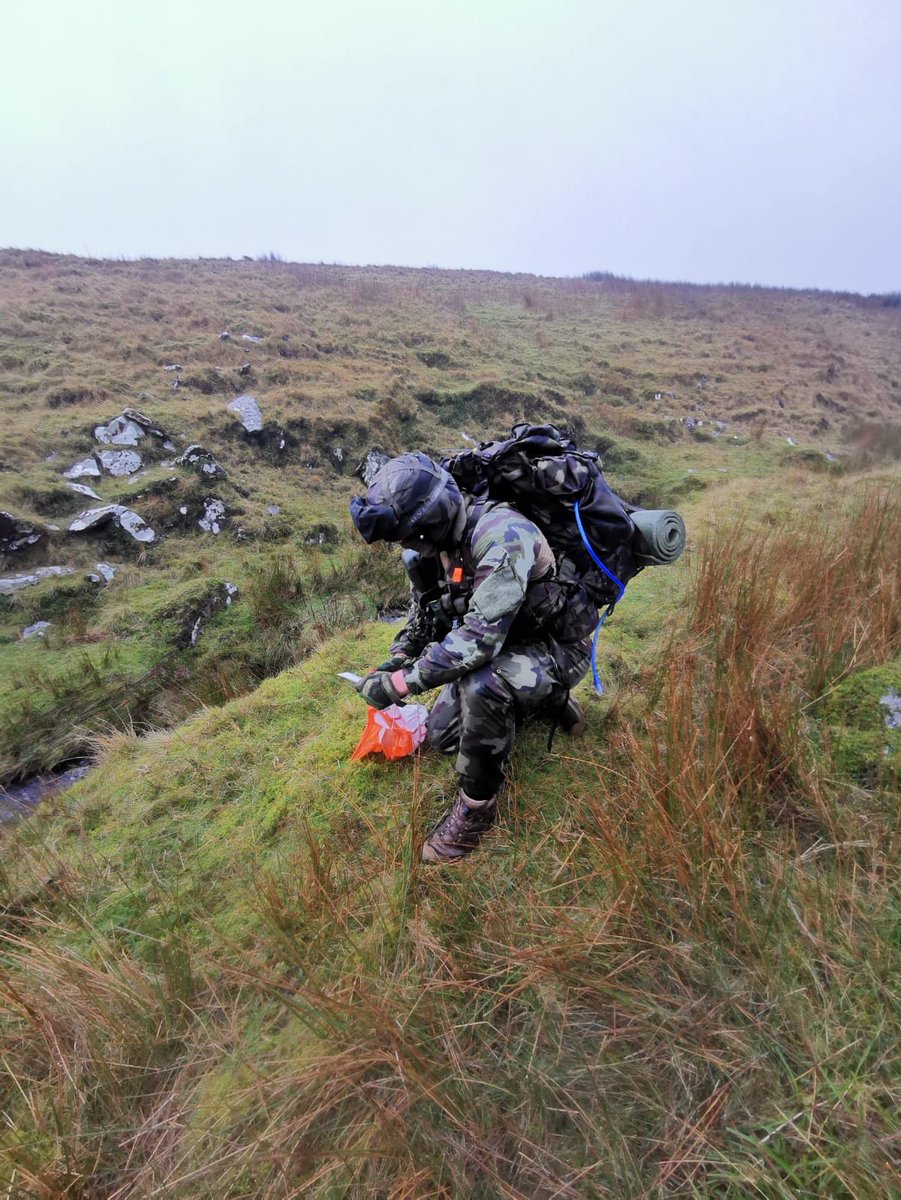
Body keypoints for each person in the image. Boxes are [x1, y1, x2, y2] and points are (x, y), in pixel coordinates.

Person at [349, 451, 598, 865]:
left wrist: (400, 685)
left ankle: (477, 808)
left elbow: (478, 642)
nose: (405, 546)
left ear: (426, 525)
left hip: (554, 647)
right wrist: (399, 656)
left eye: (407, 536)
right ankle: (538, 703)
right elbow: (426, 614)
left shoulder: (501, 535)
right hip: (507, 643)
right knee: (445, 737)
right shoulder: (436, 550)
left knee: (481, 684)